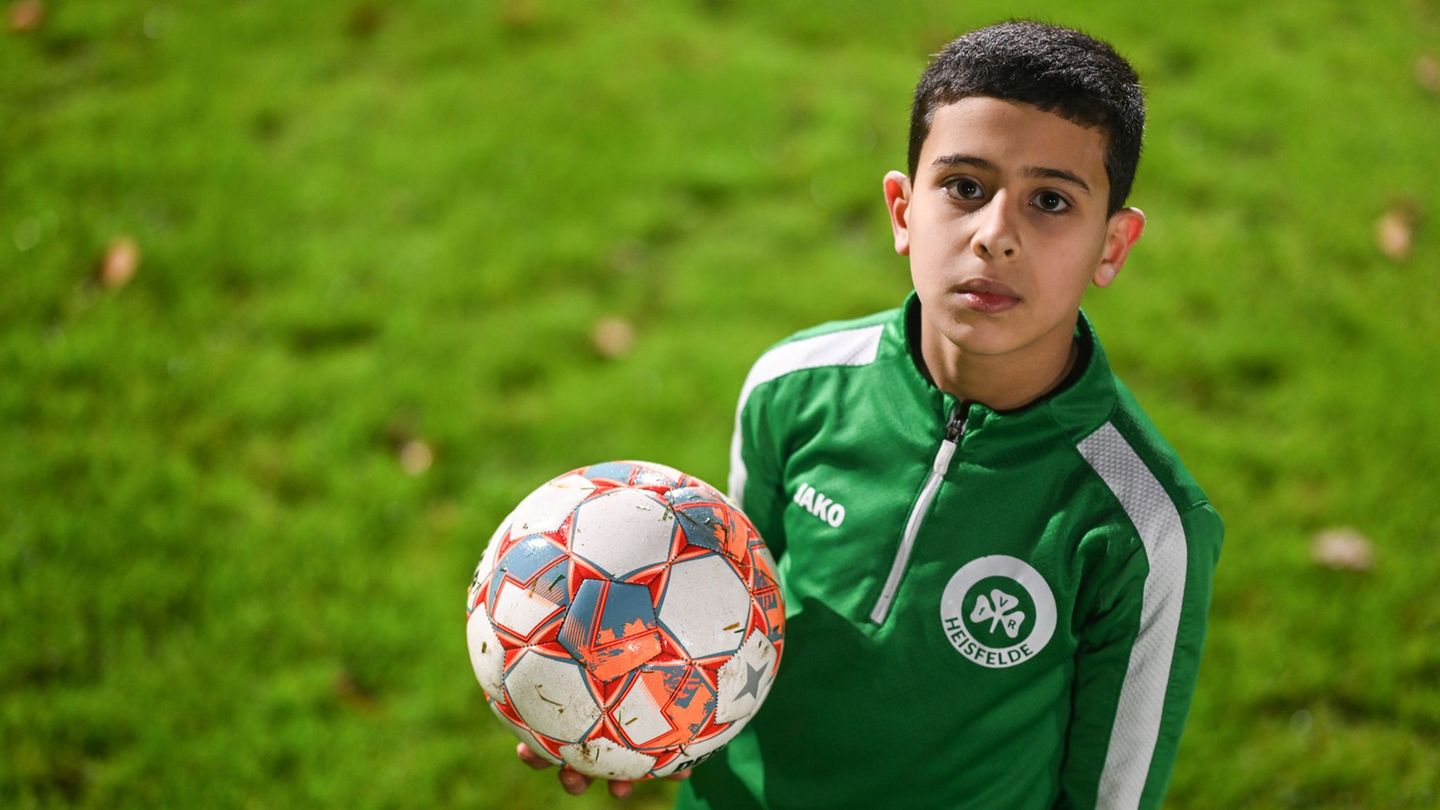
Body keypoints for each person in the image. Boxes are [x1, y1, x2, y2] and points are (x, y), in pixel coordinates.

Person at [522, 19, 1223, 809]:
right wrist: (612, 712)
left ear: (1113, 246)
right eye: (965, 187)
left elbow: (1111, 796)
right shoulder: (791, 389)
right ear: (902, 210)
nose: (995, 235)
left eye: (1051, 201)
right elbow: (718, 613)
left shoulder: (1145, 526)